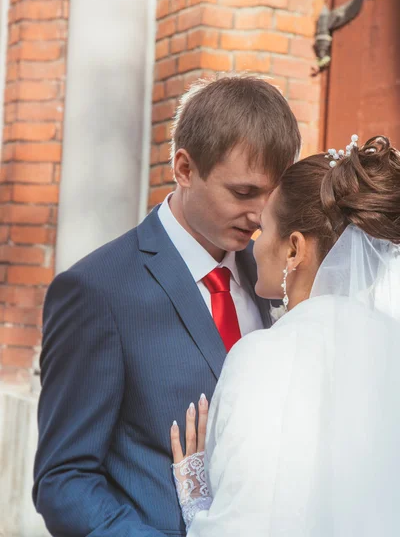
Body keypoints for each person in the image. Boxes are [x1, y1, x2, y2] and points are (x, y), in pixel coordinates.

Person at [33, 75, 301, 536]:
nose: (259, 217)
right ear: (183, 168)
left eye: (270, 196)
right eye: (242, 193)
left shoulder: (276, 281)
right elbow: (63, 480)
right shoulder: (97, 291)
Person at [171, 135, 400, 536]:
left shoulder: (263, 357)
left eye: (264, 229)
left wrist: (196, 498)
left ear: (294, 249)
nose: (254, 246)